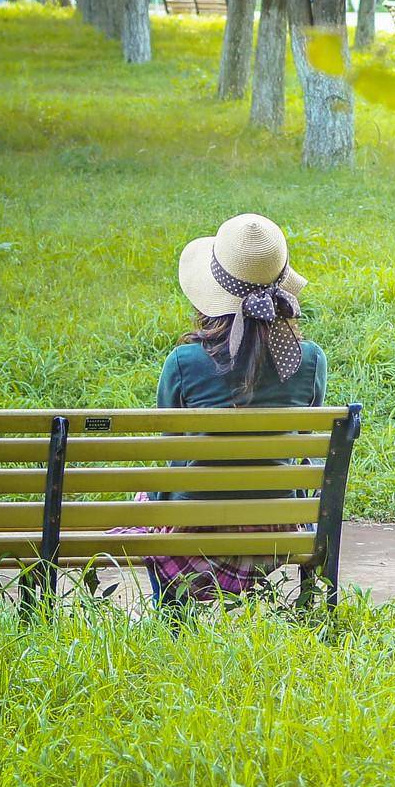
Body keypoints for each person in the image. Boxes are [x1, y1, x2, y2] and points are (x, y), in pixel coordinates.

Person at [125, 214, 326, 605]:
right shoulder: (309, 361)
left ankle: (172, 612)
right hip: (276, 529)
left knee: (148, 495)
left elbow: (170, 450)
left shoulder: (184, 363)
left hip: (193, 527)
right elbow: (305, 445)